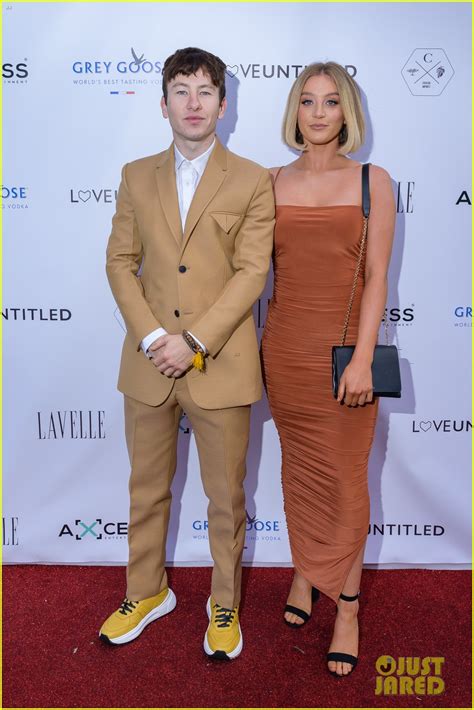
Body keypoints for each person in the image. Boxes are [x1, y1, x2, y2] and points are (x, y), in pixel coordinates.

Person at [102, 47, 275, 660]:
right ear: (164, 102)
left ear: (223, 104)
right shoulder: (133, 174)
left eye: (205, 91)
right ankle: (145, 591)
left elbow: (252, 273)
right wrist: (154, 338)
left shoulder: (255, 179)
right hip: (147, 365)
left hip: (219, 367)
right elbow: (120, 263)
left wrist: (194, 343)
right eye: (182, 90)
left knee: (226, 499)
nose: (194, 102)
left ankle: (222, 603)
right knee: (145, 489)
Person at [261, 62, 395, 677]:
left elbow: (376, 281)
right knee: (300, 474)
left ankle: (346, 604)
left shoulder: (374, 181)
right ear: (295, 111)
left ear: (348, 113)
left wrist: (364, 358)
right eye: (308, 101)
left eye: (331, 102)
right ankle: (305, 571)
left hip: (346, 357)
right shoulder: (267, 182)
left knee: (345, 482)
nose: (318, 113)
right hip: (284, 353)